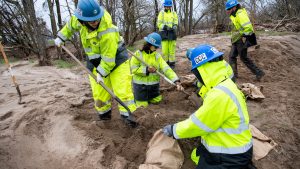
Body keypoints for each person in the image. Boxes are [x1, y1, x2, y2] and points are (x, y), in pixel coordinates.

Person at [163, 44, 254, 168]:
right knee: (197, 155)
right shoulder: (225, 84)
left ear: (202, 69)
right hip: (231, 147)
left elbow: (199, 123)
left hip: (230, 156)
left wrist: (174, 130)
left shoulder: (219, 95)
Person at [54, 0, 136, 125]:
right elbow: (69, 26)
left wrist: (101, 73)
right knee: (99, 94)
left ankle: (130, 119)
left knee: (122, 91)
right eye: (91, 20)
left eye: (97, 19)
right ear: (82, 19)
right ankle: (104, 117)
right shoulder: (78, 19)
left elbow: (109, 58)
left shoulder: (108, 31)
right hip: (94, 60)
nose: (95, 22)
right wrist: (61, 37)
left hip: (116, 59)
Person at [130, 32, 183, 108]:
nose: (157, 48)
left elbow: (166, 68)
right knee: (142, 106)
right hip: (141, 88)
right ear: (149, 44)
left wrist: (176, 80)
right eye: (155, 47)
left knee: (157, 101)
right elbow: (133, 69)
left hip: (153, 88)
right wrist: (147, 70)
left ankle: (152, 97)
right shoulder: (137, 55)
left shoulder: (157, 56)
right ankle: (138, 99)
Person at [225, 0, 264, 81]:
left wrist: (244, 37)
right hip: (236, 39)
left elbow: (248, 28)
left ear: (234, 7)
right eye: (227, 9)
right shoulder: (234, 15)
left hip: (241, 39)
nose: (227, 11)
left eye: (228, 9)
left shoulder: (240, 14)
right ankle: (234, 75)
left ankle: (258, 72)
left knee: (243, 57)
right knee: (231, 56)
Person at [157, 0, 178, 69]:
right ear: (164, 6)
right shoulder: (162, 13)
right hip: (164, 33)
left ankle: (172, 63)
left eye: (169, 6)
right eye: (167, 6)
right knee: (165, 50)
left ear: (171, 6)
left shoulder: (174, 13)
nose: (168, 8)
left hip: (172, 33)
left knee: (172, 50)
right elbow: (159, 24)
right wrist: (165, 27)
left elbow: (176, 21)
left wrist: (175, 25)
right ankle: (165, 63)